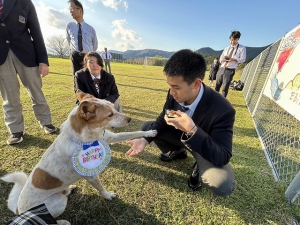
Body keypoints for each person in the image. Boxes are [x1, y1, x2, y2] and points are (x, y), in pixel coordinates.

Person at [126, 49, 236, 197]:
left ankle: (200, 164)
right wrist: (145, 139)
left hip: (203, 147)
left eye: (176, 87)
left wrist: (192, 129)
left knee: (222, 184)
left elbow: (223, 155)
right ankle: (178, 151)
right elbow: (163, 117)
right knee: (147, 128)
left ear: (196, 83)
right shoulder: (173, 92)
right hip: (178, 136)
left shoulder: (224, 109)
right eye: (170, 86)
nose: (171, 92)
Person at [0, 0, 57, 145]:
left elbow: (36, 31)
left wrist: (43, 60)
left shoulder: (24, 2)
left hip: (26, 54)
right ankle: (16, 130)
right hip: (1, 57)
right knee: (9, 95)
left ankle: (46, 122)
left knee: (36, 91)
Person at [66, 0, 98, 77]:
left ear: (80, 10)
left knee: (89, 80)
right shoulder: (69, 26)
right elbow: (69, 40)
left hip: (87, 57)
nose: (70, 10)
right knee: (77, 79)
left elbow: (95, 45)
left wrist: (88, 55)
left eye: (72, 7)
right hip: (75, 56)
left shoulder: (90, 29)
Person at [215, 30, 246, 97]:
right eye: (231, 40)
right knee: (217, 85)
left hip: (230, 70)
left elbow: (243, 59)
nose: (232, 42)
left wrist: (234, 59)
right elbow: (220, 59)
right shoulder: (226, 48)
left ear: (238, 39)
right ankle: (214, 100)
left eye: (234, 40)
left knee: (225, 87)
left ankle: (222, 103)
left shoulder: (242, 48)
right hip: (222, 68)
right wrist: (222, 59)